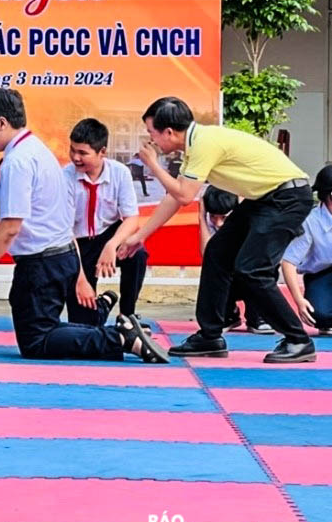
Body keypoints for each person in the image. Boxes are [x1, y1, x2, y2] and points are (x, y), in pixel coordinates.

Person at [0, 88, 166, 363]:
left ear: (1, 123)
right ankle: (113, 326)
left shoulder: (19, 161)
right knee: (46, 329)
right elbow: (63, 220)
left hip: (42, 263)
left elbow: (11, 226)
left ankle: (119, 338)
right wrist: (78, 272)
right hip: (62, 256)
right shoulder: (38, 150)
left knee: (37, 340)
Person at [118, 97, 316, 363]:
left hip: (287, 198)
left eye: (151, 133)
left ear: (168, 132)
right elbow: (174, 198)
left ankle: (298, 340)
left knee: (251, 269)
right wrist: (139, 237)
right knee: (217, 252)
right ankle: (210, 335)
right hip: (264, 198)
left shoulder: (204, 143)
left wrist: (152, 164)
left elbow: (185, 195)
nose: (150, 141)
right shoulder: (195, 145)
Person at [65, 119, 147, 326]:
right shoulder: (63, 177)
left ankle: (127, 316)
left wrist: (111, 245)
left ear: (102, 152)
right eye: (73, 150)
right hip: (75, 242)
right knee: (84, 325)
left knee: (137, 254)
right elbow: (65, 230)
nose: (76, 158)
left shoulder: (119, 172)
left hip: (108, 234)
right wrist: (81, 278)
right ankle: (103, 304)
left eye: (83, 153)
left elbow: (131, 218)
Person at [198, 186, 271, 334]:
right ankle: (228, 315)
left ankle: (257, 316)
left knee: (257, 268)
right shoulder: (210, 223)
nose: (218, 223)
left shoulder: (251, 219)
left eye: (224, 217)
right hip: (227, 277)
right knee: (213, 269)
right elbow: (207, 255)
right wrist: (202, 218)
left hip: (249, 272)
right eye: (213, 216)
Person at [281, 163, 332, 337]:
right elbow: (288, 262)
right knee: (318, 314)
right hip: (321, 272)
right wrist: (299, 300)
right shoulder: (310, 221)